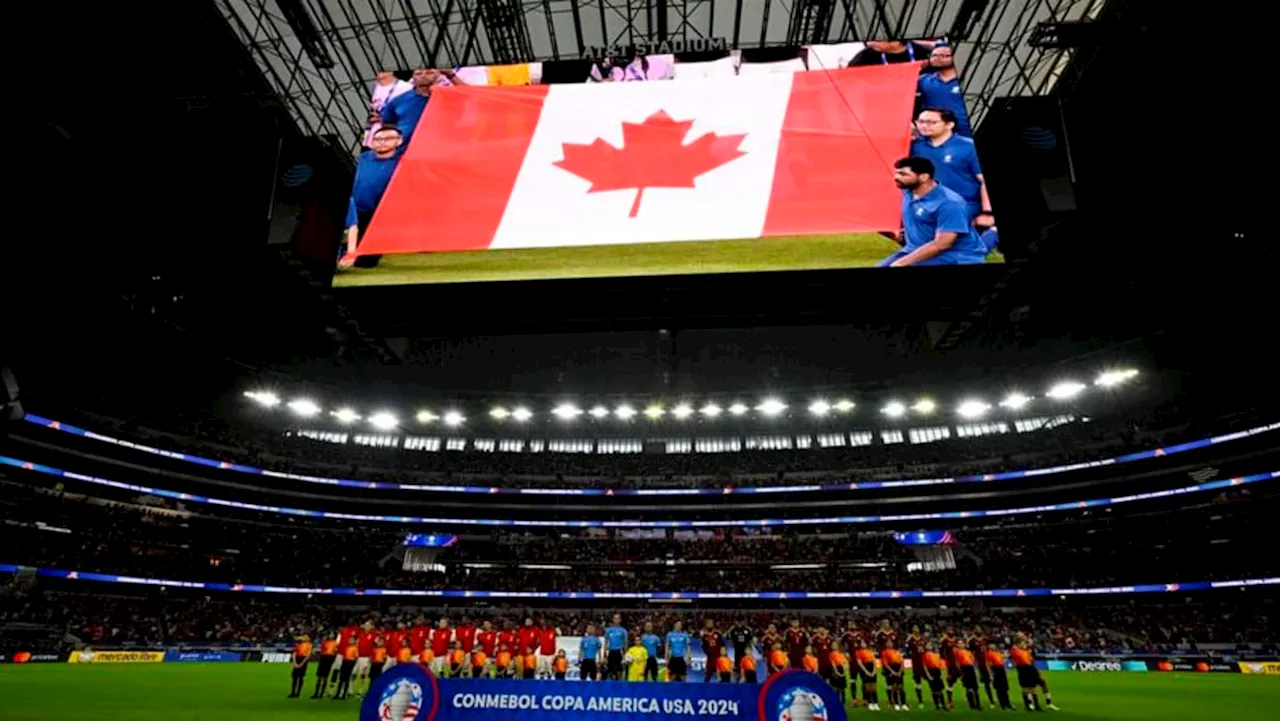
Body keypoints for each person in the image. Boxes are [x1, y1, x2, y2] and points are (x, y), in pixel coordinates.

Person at [878, 156, 987, 267]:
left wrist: (901, 262)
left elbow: (943, 244)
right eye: (896, 173)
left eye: (903, 174)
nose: (896, 177)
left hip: (954, 256)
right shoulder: (909, 191)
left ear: (924, 177)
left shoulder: (949, 203)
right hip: (915, 249)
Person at [910, 108, 993, 228]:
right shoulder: (916, 146)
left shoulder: (968, 146)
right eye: (921, 122)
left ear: (949, 124)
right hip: (926, 203)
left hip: (964, 203)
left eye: (931, 122)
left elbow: (984, 180)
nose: (924, 126)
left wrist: (987, 212)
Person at [338, 124, 404, 270]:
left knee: (366, 262)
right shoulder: (361, 159)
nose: (382, 142)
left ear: (399, 141)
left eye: (388, 138)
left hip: (378, 213)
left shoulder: (403, 163)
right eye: (378, 139)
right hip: (353, 206)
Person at [374, 66, 461, 148]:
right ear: (413, 78)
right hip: (405, 148)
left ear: (438, 75)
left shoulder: (447, 96)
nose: (423, 76)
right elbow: (387, 123)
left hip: (440, 145)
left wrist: (451, 75)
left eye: (429, 73)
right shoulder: (399, 100)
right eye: (418, 73)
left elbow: (469, 96)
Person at [917, 45, 972, 136]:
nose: (938, 58)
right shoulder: (924, 80)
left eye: (944, 56)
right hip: (936, 133)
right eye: (934, 55)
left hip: (966, 132)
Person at [1011, 639, 1060, 711]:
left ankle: (1041, 704)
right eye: (1022, 643)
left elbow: (1031, 661)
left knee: (1035, 687)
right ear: (1018, 645)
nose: (1024, 644)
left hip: (1031, 669)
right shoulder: (1015, 651)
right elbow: (1015, 659)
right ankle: (1028, 705)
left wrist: (1037, 671)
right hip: (1023, 670)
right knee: (1026, 689)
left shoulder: (1026, 652)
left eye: (1024, 643)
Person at [848, 38, 936, 66]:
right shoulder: (868, 54)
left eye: (877, 40)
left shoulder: (924, 52)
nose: (870, 44)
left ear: (895, 42)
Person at [968, 626, 995, 706]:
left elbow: (991, 647)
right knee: (984, 683)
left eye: (979, 629)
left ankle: (994, 700)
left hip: (989, 662)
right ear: (974, 631)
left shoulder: (985, 639)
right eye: (976, 630)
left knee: (992, 683)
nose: (978, 631)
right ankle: (988, 701)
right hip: (980, 664)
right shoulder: (972, 641)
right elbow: (970, 651)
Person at [986, 644, 1016, 710]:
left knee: (1005, 688)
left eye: (993, 645)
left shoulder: (998, 653)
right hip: (995, 670)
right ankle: (1003, 704)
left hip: (1001, 670)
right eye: (991, 645)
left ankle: (1007, 703)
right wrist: (991, 674)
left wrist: (1004, 669)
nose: (993, 646)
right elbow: (988, 664)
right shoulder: (989, 653)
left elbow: (1002, 661)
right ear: (989, 647)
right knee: (999, 689)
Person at [904, 625, 927, 709]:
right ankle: (920, 701)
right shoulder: (910, 639)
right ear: (912, 630)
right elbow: (906, 649)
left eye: (917, 628)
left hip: (925, 662)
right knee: (918, 683)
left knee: (932, 680)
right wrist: (910, 655)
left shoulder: (923, 638)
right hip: (916, 663)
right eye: (914, 628)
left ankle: (937, 699)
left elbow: (927, 647)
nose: (916, 629)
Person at [353, 622, 378, 696]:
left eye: (368, 625)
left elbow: (376, 645)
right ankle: (350, 690)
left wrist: (372, 655)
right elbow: (355, 640)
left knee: (363, 674)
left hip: (366, 657)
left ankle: (361, 690)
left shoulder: (373, 635)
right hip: (358, 656)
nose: (367, 627)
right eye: (366, 625)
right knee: (353, 673)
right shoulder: (360, 634)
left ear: (371, 627)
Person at [955, 641, 982, 710]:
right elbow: (957, 663)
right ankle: (972, 705)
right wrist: (960, 673)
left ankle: (978, 705)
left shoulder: (968, 652)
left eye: (962, 643)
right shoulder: (957, 652)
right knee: (968, 688)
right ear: (957, 645)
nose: (961, 644)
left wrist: (975, 669)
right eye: (959, 643)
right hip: (964, 669)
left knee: (975, 688)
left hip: (971, 669)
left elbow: (972, 660)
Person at [854, 640, 880, 711]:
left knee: (874, 687)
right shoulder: (858, 652)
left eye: (864, 642)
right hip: (865, 668)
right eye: (862, 643)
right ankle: (870, 703)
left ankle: (876, 703)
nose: (863, 644)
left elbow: (874, 661)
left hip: (872, 668)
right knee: (868, 687)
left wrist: (874, 670)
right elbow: (859, 663)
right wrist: (866, 671)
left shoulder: (870, 651)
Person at [881, 639, 906, 711]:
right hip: (891, 670)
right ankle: (895, 703)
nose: (890, 644)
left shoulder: (897, 652)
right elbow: (885, 663)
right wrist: (892, 671)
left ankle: (904, 704)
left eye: (891, 643)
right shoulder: (884, 652)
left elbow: (902, 662)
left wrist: (900, 671)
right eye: (888, 643)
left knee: (901, 687)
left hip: (898, 670)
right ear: (886, 644)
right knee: (893, 687)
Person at [921, 644, 947, 710]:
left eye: (930, 645)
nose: (929, 646)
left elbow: (939, 665)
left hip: (937, 672)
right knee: (934, 690)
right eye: (928, 645)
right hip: (931, 672)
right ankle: (937, 705)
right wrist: (928, 675)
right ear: (926, 647)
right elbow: (924, 666)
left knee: (940, 690)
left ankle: (943, 704)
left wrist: (941, 673)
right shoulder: (925, 655)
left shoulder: (936, 654)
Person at [312, 633, 338, 699]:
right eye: (330, 634)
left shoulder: (335, 643)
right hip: (323, 658)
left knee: (325, 677)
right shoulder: (325, 642)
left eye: (332, 635)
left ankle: (321, 693)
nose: (331, 636)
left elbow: (335, 652)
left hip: (329, 659)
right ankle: (316, 693)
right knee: (319, 676)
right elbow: (322, 650)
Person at [604, 614, 628, 680]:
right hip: (611, 651)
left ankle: (620, 685)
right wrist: (605, 655)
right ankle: (609, 686)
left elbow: (625, 643)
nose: (616, 620)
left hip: (619, 652)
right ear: (613, 620)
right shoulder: (608, 630)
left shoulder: (623, 630)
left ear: (620, 620)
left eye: (618, 618)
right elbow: (605, 643)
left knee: (619, 671)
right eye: (615, 618)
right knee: (609, 670)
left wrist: (625, 655)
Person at [829, 640, 850, 705]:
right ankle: (837, 701)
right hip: (835, 671)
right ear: (831, 646)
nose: (834, 646)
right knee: (836, 687)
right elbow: (833, 664)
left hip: (842, 670)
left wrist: (845, 669)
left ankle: (843, 701)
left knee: (842, 687)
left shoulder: (841, 654)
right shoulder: (831, 654)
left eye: (835, 645)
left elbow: (846, 662)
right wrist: (837, 672)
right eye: (833, 645)